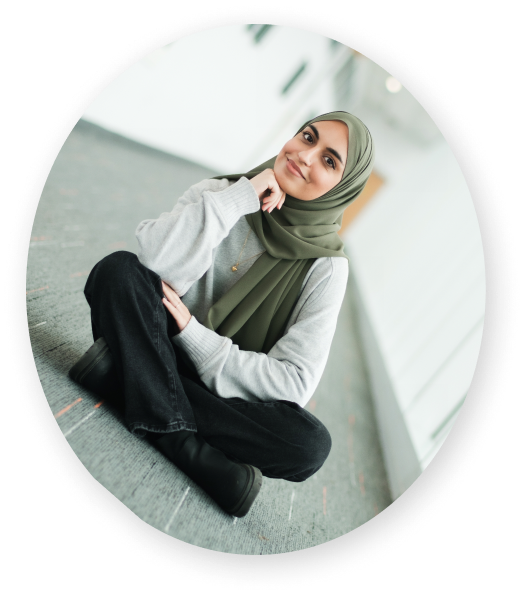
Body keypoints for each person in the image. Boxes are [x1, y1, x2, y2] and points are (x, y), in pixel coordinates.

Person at [68, 111, 375, 518]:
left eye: (329, 160)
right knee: (118, 271)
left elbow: (293, 383)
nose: (305, 155)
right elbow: (154, 261)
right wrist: (238, 200)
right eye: (307, 137)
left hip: (223, 390)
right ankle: (184, 445)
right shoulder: (221, 193)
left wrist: (193, 335)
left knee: (308, 445)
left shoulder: (327, 268)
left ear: (343, 189)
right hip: (155, 338)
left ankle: (123, 376)